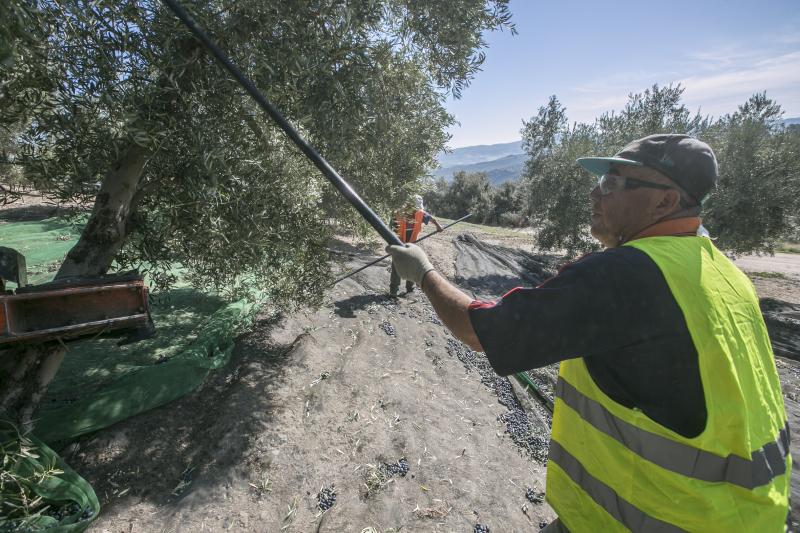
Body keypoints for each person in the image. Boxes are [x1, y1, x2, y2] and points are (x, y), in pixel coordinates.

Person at [386, 134, 790, 532]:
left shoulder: (626, 273)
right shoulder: (726, 272)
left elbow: (479, 331)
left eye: (613, 184)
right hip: (743, 514)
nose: (596, 195)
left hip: (662, 517)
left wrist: (422, 271)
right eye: (600, 182)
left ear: (665, 200)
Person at [389, 194, 443, 296]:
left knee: (412, 265)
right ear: (408, 205)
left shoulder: (420, 214)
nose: (415, 211)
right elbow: (390, 228)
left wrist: (438, 226)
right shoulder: (398, 213)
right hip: (398, 243)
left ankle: (410, 289)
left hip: (412, 244)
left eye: (417, 209)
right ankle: (393, 291)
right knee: (396, 266)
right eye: (413, 208)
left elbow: (430, 218)